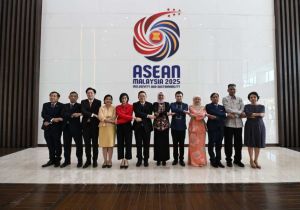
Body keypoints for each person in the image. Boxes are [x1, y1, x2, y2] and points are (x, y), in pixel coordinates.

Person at [222, 84, 245, 167]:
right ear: (227, 90)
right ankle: (228, 160)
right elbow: (227, 109)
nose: (232, 90)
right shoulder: (225, 99)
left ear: (236, 90)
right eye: (231, 89)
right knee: (228, 143)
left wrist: (236, 113)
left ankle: (237, 160)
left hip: (239, 124)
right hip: (228, 124)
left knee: (238, 144)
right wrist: (239, 113)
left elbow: (242, 108)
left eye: (234, 89)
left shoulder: (240, 99)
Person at [41, 91, 64, 167]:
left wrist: (50, 120)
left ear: (58, 98)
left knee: (57, 144)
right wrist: (53, 119)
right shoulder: (45, 105)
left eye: (54, 96)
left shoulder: (62, 106)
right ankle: (51, 159)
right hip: (47, 128)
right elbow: (43, 114)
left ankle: (57, 159)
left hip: (57, 128)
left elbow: (61, 117)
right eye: (51, 96)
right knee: (50, 144)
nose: (52, 97)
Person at [244, 92, 266, 169]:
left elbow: (262, 115)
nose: (253, 98)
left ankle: (256, 160)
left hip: (259, 126)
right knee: (250, 143)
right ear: (249, 99)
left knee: (258, 143)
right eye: (251, 97)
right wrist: (257, 114)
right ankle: (251, 160)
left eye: (254, 97)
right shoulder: (246, 106)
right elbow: (247, 114)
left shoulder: (262, 106)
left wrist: (252, 114)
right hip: (249, 126)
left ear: (257, 98)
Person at [61, 91, 83, 168]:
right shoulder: (65, 105)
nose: (73, 97)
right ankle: (67, 161)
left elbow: (84, 112)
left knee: (79, 146)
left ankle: (80, 161)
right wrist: (72, 115)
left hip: (77, 129)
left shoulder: (80, 105)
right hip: (66, 128)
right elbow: (63, 114)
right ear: (69, 97)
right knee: (66, 145)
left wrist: (79, 114)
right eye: (71, 96)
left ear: (77, 98)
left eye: (75, 96)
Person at [133, 91, 155, 167]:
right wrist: (148, 116)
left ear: (146, 97)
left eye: (143, 96)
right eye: (140, 96)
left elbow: (149, 114)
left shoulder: (150, 104)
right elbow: (137, 112)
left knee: (146, 145)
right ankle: (139, 159)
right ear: (138, 97)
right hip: (137, 128)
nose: (142, 97)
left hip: (147, 128)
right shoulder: (135, 104)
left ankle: (146, 159)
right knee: (138, 145)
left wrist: (142, 118)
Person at [81, 87, 101, 168]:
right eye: (88, 93)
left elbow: (97, 112)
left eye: (91, 93)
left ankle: (95, 160)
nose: (90, 94)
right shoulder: (83, 102)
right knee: (87, 144)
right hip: (85, 126)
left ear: (94, 94)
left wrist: (91, 114)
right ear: (86, 94)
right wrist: (93, 115)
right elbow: (83, 111)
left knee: (95, 144)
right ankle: (88, 160)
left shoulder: (98, 102)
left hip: (95, 126)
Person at [206, 93, 227, 168]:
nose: (215, 98)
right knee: (211, 144)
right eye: (214, 97)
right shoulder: (208, 106)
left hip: (221, 128)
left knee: (219, 145)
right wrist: (221, 115)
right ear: (211, 98)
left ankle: (218, 160)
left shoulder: (222, 107)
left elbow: (224, 117)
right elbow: (215, 113)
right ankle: (212, 160)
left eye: (217, 97)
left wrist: (216, 117)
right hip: (212, 128)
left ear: (218, 98)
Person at [187, 96, 207, 167]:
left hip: (201, 127)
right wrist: (199, 115)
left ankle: (201, 161)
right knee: (193, 145)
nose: (197, 100)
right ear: (193, 100)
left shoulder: (203, 107)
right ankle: (193, 161)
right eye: (195, 99)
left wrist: (195, 115)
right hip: (193, 126)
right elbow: (193, 115)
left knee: (201, 145)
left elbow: (203, 115)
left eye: (198, 99)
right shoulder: (190, 107)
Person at [170, 91, 188, 167]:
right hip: (174, 127)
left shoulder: (185, 105)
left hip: (182, 128)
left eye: (180, 96)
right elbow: (174, 109)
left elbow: (176, 111)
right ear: (175, 97)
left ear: (182, 97)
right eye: (177, 96)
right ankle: (175, 159)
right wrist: (183, 111)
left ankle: (181, 159)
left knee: (181, 145)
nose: (179, 97)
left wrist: (179, 111)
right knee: (174, 145)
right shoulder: (172, 104)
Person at [116, 93, 134, 169]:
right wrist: (128, 117)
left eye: (125, 98)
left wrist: (120, 120)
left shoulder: (131, 106)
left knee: (128, 143)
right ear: (120, 99)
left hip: (128, 126)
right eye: (122, 98)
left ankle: (126, 159)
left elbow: (129, 118)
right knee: (120, 143)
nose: (124, 99)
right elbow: (122, 115)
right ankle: (122, 159)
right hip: (119, 127)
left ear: (127, 99)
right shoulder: (117, 107)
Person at [98, 94, 116, 168]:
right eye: (106, 99)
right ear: (104, 100)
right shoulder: (101, 107)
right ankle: (105, 161)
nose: (108, 100)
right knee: (104, 145)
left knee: (110, 145)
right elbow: (101, 117)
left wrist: (106, 119)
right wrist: (107, 119)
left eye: (109, 99)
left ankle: (110, 161)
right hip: (103, 128)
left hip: (111, 128)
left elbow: (114, 117)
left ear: (111, 100)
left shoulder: (114, 108)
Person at [153, 92, 170, 166]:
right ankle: (158, 159)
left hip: (165, 125)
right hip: (157, 126)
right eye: (159, 95)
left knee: (165, 143)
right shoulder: (154, 104)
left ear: (164, 96)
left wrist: (159, 113)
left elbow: (165, 112)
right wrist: (163, 113)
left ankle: (164, 159)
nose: (160, 96)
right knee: (157, 143)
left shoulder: (167, 104)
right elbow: (155, 112)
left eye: (162, 95)